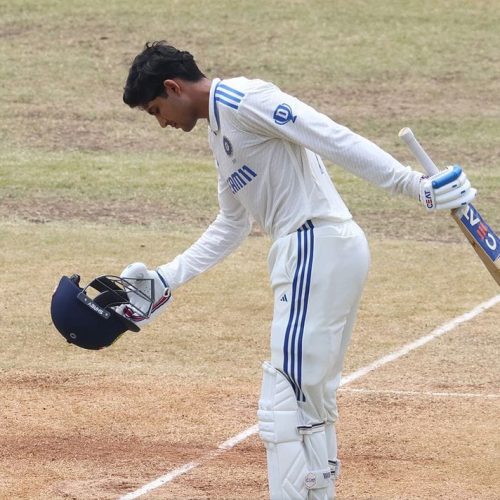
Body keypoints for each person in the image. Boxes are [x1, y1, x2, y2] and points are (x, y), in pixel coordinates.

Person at [120, 41, 476, 499]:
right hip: (322, 250)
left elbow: (328, 134)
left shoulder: (243, 99)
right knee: (311, 402)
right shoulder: (219, 131)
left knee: (283, 403)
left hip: (313, 246)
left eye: (156, 110)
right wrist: (165, 279)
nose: (162, 123)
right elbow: (231, 224)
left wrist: (413, 185)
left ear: (173, 87)